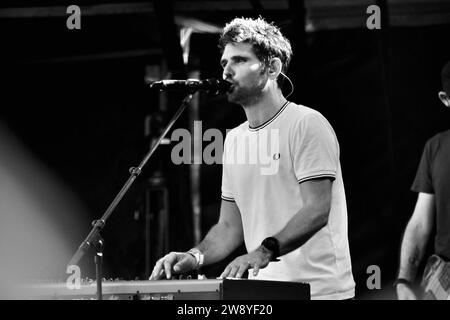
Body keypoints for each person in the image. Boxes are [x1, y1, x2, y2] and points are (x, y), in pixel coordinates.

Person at [150, 17, 355, 300]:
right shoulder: (234, 139)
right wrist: (194, 256)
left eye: (239, 60)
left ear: (272, 67)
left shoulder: (306, 123)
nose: (227, 71)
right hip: (265, 292)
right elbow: (229, 227)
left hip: (320, 292)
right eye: (224, 63)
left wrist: (262, 251)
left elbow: (317, 210)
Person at [395, 60, 450, 300]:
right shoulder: (435, 148)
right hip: (444, 277)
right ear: (445, 99)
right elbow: (420, 223)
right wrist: (405, 280)